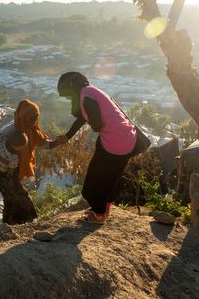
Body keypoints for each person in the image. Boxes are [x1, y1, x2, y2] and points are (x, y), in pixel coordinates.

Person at [55, 71, 137, 224]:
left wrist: (92, 120)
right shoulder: (90, 92)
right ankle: (103, 209)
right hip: (127, 138)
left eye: (68, 95)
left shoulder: (86, 98)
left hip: (114, 141)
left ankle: (98, 215)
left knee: (95, 180)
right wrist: (67, 136)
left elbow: (97, 126)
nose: (68, 98)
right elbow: (82, 118)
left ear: (72, 88)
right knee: (110, 177)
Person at [0, 129, 38, 224]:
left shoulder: (2, 138)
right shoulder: (13, 158)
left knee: (11, 196)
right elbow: (13, 171)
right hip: (3, 175)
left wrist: (1, 160)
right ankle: (20, 219)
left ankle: (16, 220)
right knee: (13, 196)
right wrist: (4, 161)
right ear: (17, 148)